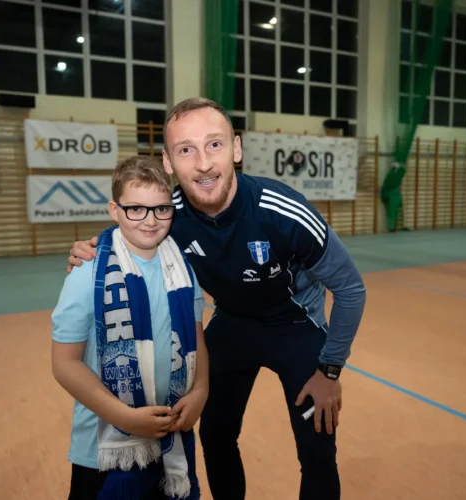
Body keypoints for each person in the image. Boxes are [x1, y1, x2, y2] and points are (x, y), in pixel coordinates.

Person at [67, 97, 367, 500]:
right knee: (216, 436)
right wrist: (93, 248)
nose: (204, 163)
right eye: (185, 150)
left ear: (236, 149)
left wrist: (330, 371)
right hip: (232, 324)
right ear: (168, 162)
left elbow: (351, 290)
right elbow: (130, 231)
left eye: (214, 144)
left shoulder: (284, 212)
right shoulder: (170, 215)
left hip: (296, 327)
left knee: (318, 452)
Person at [52, 155, 208, 500]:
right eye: (136, 209)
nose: (150, 220)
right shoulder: (88, 273)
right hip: (103, 450)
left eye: (161, 209)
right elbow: (65, 364)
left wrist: (200, 392)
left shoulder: (182, 270)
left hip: (171, 438)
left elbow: (198, 342)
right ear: (115, 209)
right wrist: (124, 417)